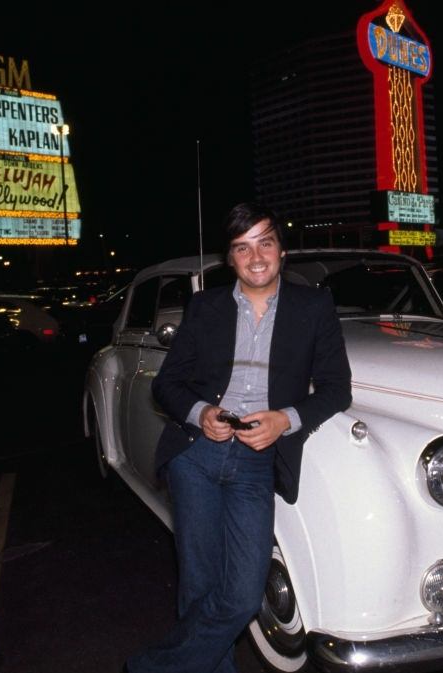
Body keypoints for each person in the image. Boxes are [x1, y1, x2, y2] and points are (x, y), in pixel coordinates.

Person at [127, 202, 352, 673]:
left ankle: (153, 667)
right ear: (229, 258)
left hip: (257, 458)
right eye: (241, 247)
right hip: (197, 454)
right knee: (199, 582)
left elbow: (336, 388)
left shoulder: (313, 307)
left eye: (264, 242)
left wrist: (284, 419)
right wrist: (201, 411)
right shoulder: (205, 307)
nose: (255, 257)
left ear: (281, 251)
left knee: (245, 592)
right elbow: (166, 383)